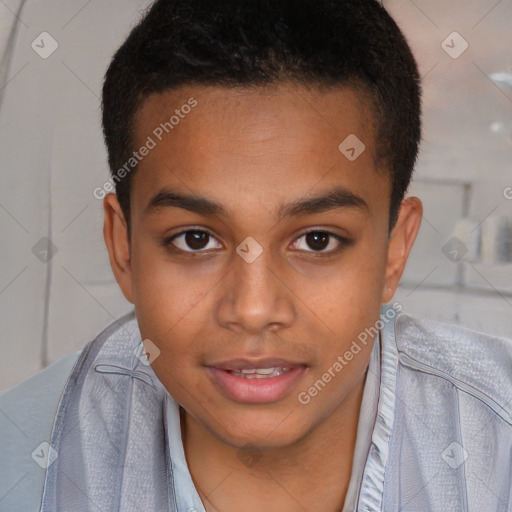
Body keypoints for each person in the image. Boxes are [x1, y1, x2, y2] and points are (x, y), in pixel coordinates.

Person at [1, 0, 511, 510]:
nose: (253, 309)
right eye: (195, 240)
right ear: (123, 248)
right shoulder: (23, 465)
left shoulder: (497, 445)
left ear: (394, 250)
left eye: (317, 240)